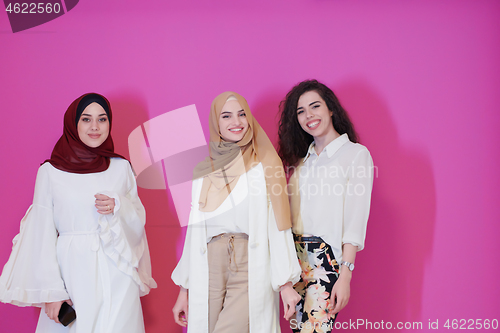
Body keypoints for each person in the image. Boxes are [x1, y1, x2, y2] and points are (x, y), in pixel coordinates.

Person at [0, 93, 156, 333]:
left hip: (118, 273)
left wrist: (119, 206)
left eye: (102, 119)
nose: (95, 127)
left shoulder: (121, 167)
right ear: (74, 124)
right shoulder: (50, 172)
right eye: (86, 119)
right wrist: (52, 292)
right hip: (73, 274)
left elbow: (138, 220)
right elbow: (41, 233)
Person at [171, 92, 302, 333]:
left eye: (242, 114)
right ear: (216, 124)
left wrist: (285, 283)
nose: (237, 122)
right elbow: (194, 231)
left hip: (249, 260)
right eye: (227, 116)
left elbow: (278, 223)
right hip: (209, 262)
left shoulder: (264, 165)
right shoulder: (203, 172)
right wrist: (184, 289)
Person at [277, 80, 374, 333]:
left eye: (315, 106)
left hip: (325, 259)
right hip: (293, 260)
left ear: (331, 109)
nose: (309, 115)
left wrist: (346, 274)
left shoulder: (355, 154)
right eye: (301, 111)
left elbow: (356, 218)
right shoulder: (301, 162)